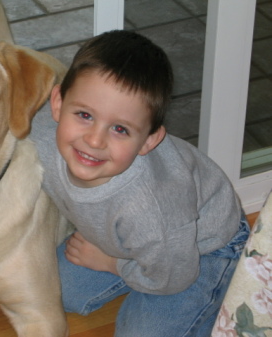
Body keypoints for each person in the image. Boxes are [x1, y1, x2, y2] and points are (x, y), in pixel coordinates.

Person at [29, 30, 250, 337]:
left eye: (120, 129)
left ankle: (223, 293)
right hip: (140, 242)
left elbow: (174, 276)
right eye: (84, 115)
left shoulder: (149, 207)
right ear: (57, 103)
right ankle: (137, 267)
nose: (94, 140)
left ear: (149, 140)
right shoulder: (39, 134)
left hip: (200, 250)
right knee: (54, 290)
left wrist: (113, 265)